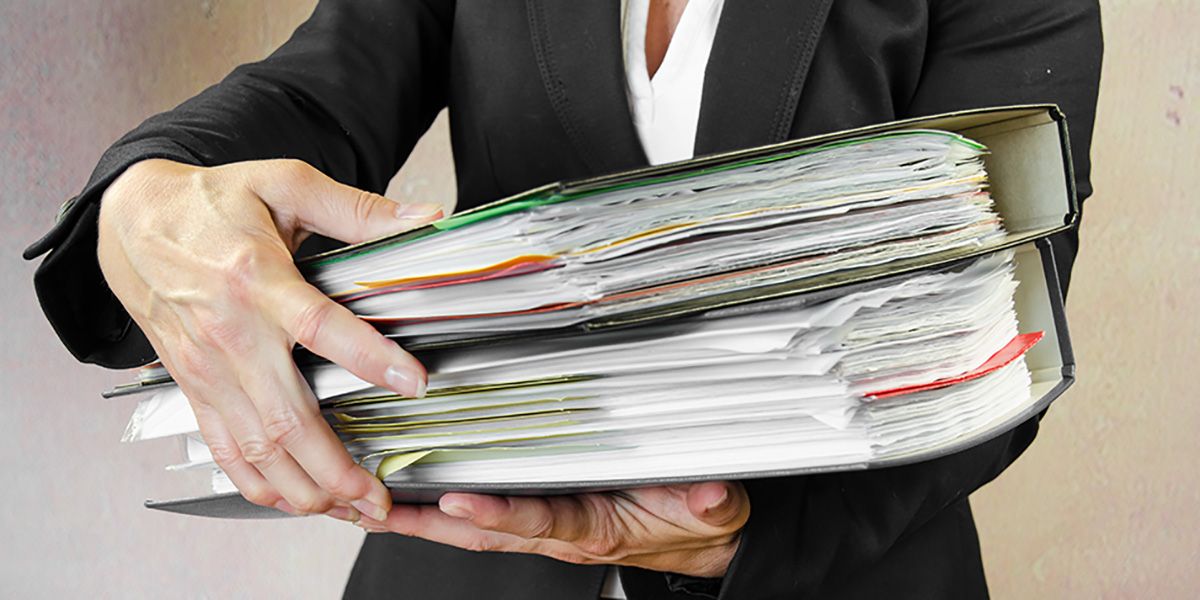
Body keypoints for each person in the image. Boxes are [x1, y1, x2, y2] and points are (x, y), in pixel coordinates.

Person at [25, 0, 1103, 598]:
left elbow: (993, 322)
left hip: (831, 575)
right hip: (458, 570)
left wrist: (743, 543)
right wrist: (147, 195)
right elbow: (316, 86)